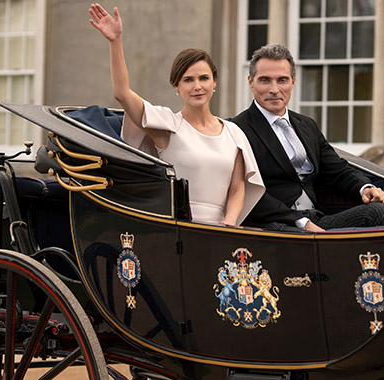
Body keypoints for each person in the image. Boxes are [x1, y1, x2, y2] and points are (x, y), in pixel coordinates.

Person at [89, 4, 264, 226]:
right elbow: (122, 94)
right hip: (176, 229)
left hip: (223, 232)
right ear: (176, 86)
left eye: (204, 78)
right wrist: (116, 41)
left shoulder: (234, 133)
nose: (197, 86)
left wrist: (229, 223)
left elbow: (238, 188)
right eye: (188, 80)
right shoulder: (167, 125)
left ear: (214, 83)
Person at [232, 43, 384, 232]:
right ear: (251, 82)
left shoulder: (307, 125)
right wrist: (301, 222)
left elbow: (337, 170)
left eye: (282, 80)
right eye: (265, 80)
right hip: (273, 224)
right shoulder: (237, 129)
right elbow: (247, 191)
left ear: (293, 81)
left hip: (317, 218)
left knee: (381, 212)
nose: (274, 89)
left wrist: (365, 188)